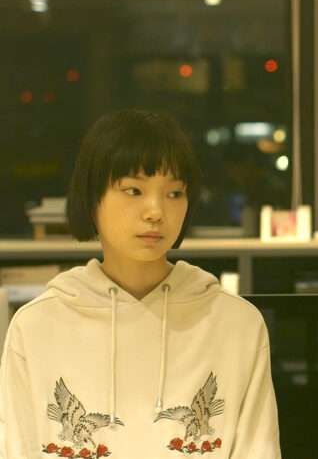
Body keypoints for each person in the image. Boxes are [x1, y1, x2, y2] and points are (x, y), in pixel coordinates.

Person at [0, 110, 282, 458]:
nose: (155, 211)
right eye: (133, 190)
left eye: (175, 193)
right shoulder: (36, 326)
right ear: (91, 197)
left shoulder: (237, 324)